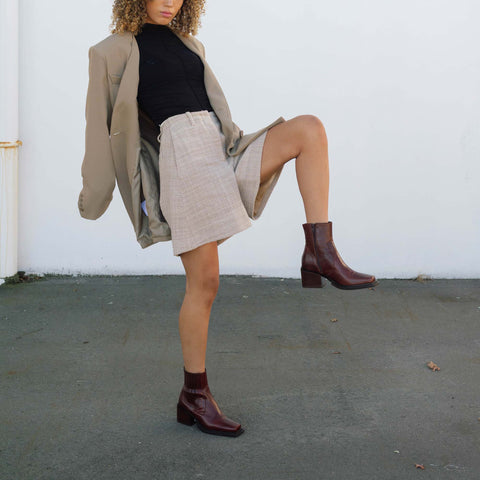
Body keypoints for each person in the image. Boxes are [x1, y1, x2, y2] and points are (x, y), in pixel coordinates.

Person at [79, 0, 378, 438]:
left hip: (223, 149)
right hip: (183, 162)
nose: (170, 2)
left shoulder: (190, 44)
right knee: (205, 284)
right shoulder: (109, 51)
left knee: (309, 129)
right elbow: (99, 128)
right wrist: (94, 196)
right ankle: (194, 395)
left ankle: (320, 252)